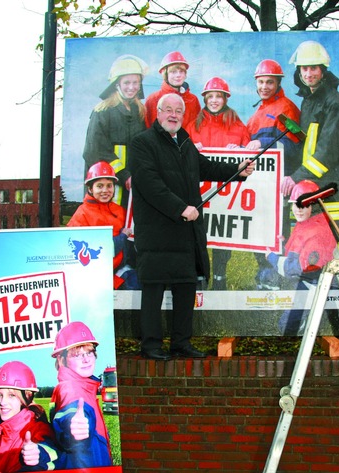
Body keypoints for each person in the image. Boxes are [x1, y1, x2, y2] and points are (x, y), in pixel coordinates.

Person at [127, 93, 255, 360]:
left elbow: (205, 167)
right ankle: (151, 346)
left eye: (178, 111)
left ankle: (181, 344)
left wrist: (237, 169)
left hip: (186, 232)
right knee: (153, 289)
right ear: (158, 113)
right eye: (168, 110)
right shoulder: (141, 143)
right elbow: (150, 185)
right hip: (157, 233)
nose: (173, 115)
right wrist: (180, 209)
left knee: (185, 289)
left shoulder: (184, 141)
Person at [184, 77, 251, 290]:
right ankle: (199, 275)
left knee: (224, 234)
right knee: (197, 234)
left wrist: (241, 151)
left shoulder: (237, 124)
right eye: (210, 96)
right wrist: (193, 147)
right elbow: (180, 149)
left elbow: (249, 154)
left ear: (225, 98)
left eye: (218, 96)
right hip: (199, 191)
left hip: (227, 192)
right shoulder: (193, 124)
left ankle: (220, 276)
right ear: (204, 98)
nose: (214, 100)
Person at [286, 40, 339, 240]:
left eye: (313, 68)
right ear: (299, 72)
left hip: (334, 196)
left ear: (323, 70)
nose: (309, 74)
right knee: (313, 256)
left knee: (335, 260)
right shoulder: (309, 101)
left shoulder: (337, 104)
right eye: (304, 68)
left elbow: (327, 153)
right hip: (315, 191)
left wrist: (295, 177)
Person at [245, 59, 303, 278]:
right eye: (261, 82)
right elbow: (248, 147)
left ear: (278, 82)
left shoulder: (287, 108)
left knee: (276, 232)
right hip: (260, 184)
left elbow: (294, 146)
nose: (264, 87)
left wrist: (263, 142)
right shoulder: (256, 114)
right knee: (259, 229)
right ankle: (264, 273)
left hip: (278, 184)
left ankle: (275, 275)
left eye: (270, 82)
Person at [255, 180, 337, 334]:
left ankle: (306, 325)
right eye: (295, 205)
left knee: (286, 327)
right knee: (263, 276)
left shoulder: (316, 231)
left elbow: (299, 267)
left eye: (304, 205)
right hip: (305, 280)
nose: (299, 210)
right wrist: (282, 243)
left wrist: (272, 258)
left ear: (314, 206)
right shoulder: (306, 224)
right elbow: (297, 251)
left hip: (313, 285)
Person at [82, 54, 149, 209]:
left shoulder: (139, 111)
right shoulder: (102, 111)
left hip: (131, 185)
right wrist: (124, 175)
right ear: (116, 84)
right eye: (127, 82)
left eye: (135, 82)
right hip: (107, 186)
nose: (131, 87)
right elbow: (94, 151)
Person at [50, 321, 112, 468]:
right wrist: (74, 429)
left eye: (89, 352)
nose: (86, 359)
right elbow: (71, 414)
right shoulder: (70, 388)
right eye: (77, 355)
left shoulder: (85, 385)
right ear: (62, 360)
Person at [67, 161, 137, 290]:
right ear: (90, 189)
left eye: (109, 186)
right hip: (92, 275)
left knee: (138, 282)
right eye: (100, 186)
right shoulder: (81, 215)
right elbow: (91, 252)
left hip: (117, 271)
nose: (105, 191)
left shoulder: (120, 211)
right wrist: (122, 237)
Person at [0, 361, 61, 472]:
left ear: (26, 397)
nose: (3, 402)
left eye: (12, 395)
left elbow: (53, 452)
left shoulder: (37, 429)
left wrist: (39, 453)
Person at [144, 51, 201, 127]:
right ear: (165, 74)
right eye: (173, 72)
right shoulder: (152, 100)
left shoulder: (193, 100)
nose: (178, 75)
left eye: (181, 71)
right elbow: (147, 130)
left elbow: (197, 129)